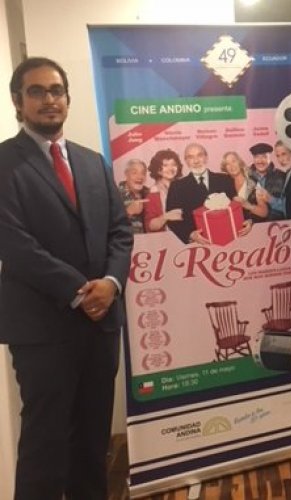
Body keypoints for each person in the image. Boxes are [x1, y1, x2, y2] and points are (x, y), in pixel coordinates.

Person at [0, 57, 133, 499]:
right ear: (18, 101)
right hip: (42, 329)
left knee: (92, 442)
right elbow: (13, 243)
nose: (49, 100)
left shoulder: (93, 162)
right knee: (45, 445)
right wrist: (80, 291)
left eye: (56, 90)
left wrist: (110, 284)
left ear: (68, 99)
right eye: (36, 91)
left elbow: (120, 231)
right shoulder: (4, 162)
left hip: (100, 325)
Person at [165, 142, 237, 244]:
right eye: (190, 157)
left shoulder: (225, 179)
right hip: (197, 245)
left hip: (229, 239)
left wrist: (247, 220)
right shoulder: (177, 186)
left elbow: (236, 206)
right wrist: (190, 234)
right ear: (186, 161)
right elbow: (172, 219)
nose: (196, 161)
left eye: (200, 155)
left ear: (206, 158)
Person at [220, 151, 269, 222]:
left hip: (255, 224)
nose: (231, 166)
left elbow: (264, 212)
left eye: (234, 161)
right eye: (227, 164)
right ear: (225, 168)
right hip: (236, 224)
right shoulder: (225, 184)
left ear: (239, 162)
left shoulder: (254, 181)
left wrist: (247, 205)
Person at [144, 148, 183, 232]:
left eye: (173, 164)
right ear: (158, 169)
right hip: (164, 238)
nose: (170, 168)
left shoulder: (183, 188)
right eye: (165, 165)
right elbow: (150, 226)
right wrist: (166, 216)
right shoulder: (153, 193)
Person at [248, 142, 286, 220]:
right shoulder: (247, 177)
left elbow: (290, 208)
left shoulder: (282, 176)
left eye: (264, 157)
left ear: (270, 158)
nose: (260, 161)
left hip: (276, 223)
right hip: (253, 224)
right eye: (256, 157)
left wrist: (270, 199)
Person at [118, 158, 149, 233]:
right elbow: (108, 225)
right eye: (134, 173)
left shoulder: (149, 193)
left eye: (143, 173)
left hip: (149, 239)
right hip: (126, 239)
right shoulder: (115, 195)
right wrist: (128, 212)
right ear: (126, 174)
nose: (140, 177)